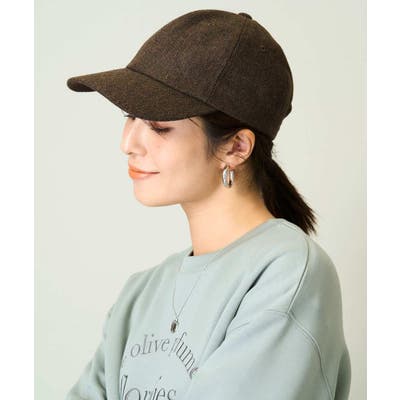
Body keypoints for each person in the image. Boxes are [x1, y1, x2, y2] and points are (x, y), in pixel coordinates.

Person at [65, 9, 351, 400]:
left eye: (159, 126)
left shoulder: (286, 274)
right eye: (130, 116)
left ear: (236, 147)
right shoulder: (140, 294)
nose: (127, 143)